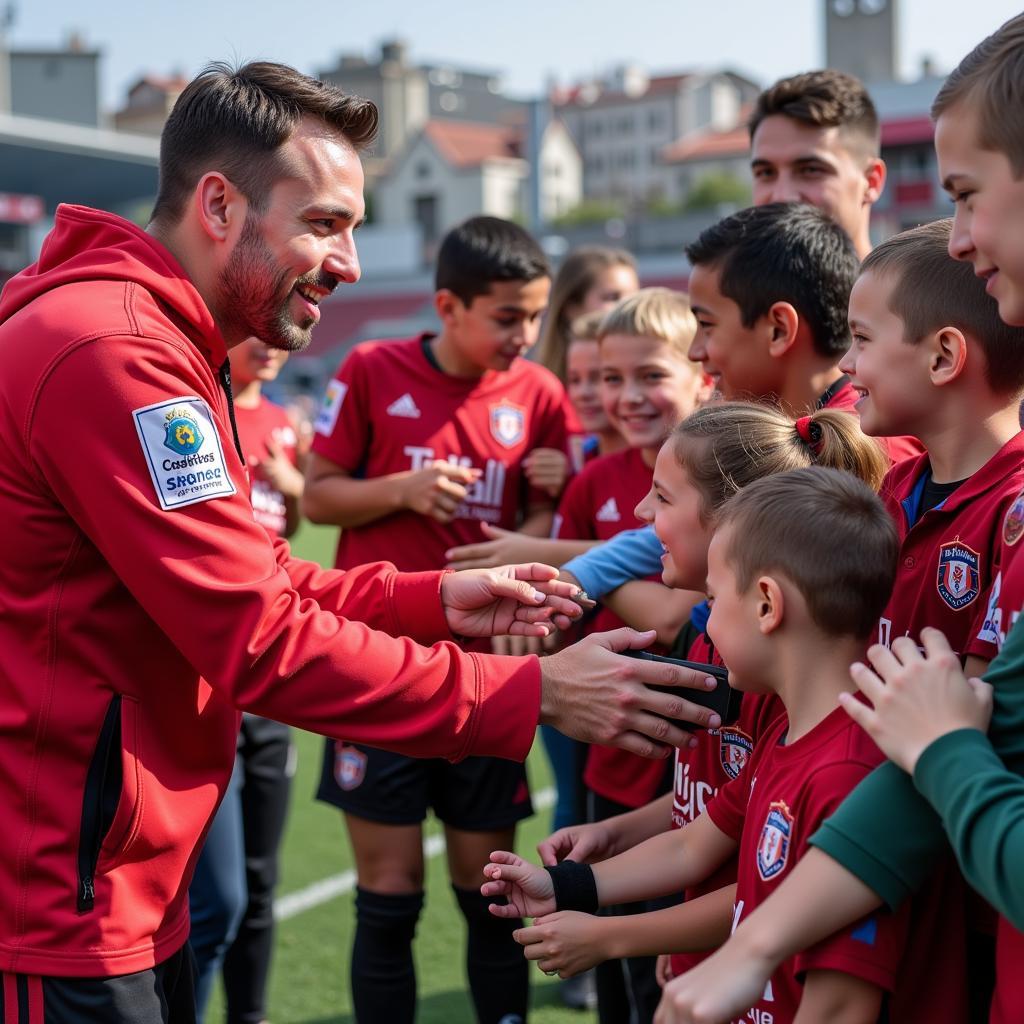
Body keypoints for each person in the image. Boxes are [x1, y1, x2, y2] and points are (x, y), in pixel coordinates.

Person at [0, 61, 722, 1023]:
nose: (346, 259)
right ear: (219, 204)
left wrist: (431, 599)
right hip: (62, 899)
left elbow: (252, 579)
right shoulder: (116, 351)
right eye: (323, 222)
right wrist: (533, 690)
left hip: (109, 881)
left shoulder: (153, 337)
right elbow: (256, 637)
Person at [652, 16, 1024, 1024]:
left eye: (964, 195)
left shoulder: (1007, 510)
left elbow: (963, 743)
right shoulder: (894, 491)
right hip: (864, 848)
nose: (957, 235)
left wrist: (943, 750)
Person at [485, 467, 968, 1021]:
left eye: (713, 600)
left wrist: (610, 934)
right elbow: (693, 846)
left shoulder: (851, 774)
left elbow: (838, 1007)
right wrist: (563, 886)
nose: (705, 621)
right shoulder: (791, 736)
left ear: (767, 604)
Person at [301, 214, 574, 1024]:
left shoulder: (541, 395)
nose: (524, 335)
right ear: (448, 305)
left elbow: (542, 528)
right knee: (388, 896)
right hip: (374, 669)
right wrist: (402, 490)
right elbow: (318, 494)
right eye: (506, 316)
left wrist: (550, 495)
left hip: (487, 680)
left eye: (534, 316)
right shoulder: (374, 367)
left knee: (489, 892)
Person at [527, 402, 886, 989]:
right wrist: (613, 840)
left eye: (663, 499)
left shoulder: (785, 688)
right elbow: (713, 816)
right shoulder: (724, 644)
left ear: (731, 521)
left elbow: (771, 885)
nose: (642, 514)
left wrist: (623, 933)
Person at [564, 201, 914, 642]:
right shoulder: (779, 432)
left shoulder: (870, 455)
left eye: (707, 326)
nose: (696, 352)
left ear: (778, 329)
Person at [549, 288, 709, 1024]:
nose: (626, 396)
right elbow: (560, 613)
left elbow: (676, 618)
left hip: (699, 765)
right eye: (610, 379)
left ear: (700, 372)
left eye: (650, 375)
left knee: (677, 974)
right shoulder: (592, 482)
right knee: (619, 968)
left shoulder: (716, 468)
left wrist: (586, 569)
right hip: (614, 756)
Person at [188, 337, 305, 1021]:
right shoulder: (192, 408)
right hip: (212, 672)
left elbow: (306, 517)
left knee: (258, 884)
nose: (269, 346)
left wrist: (294, 483)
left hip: (272, 667)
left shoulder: (280, 418)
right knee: (216, 900)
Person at [748, 69, 885, 261]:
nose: (782, 195)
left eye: (810, 170)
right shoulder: (723, 289)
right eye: (766, 172)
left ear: (871, 181)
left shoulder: (917, 291)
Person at [534, 246, 639, 386]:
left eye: (634, 297)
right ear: (571, 306)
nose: (630, 307)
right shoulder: (540, 389)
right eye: (613, 297)